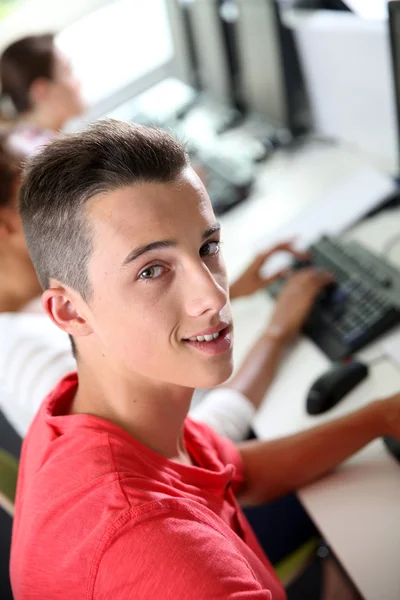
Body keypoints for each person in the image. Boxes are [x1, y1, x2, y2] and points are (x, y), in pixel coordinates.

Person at [10, 120, 400, 599]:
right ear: (70, 310)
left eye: (208, 247)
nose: (213, 297)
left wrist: (382, 416)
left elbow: (234, 471)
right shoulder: (164, 555)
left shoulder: (83, 413)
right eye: (152, 270)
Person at [0, 34, 85, 159]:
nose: (78, 82)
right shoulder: (42, 157)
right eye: (68, 72)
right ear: (41, 90)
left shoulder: (21, 145)